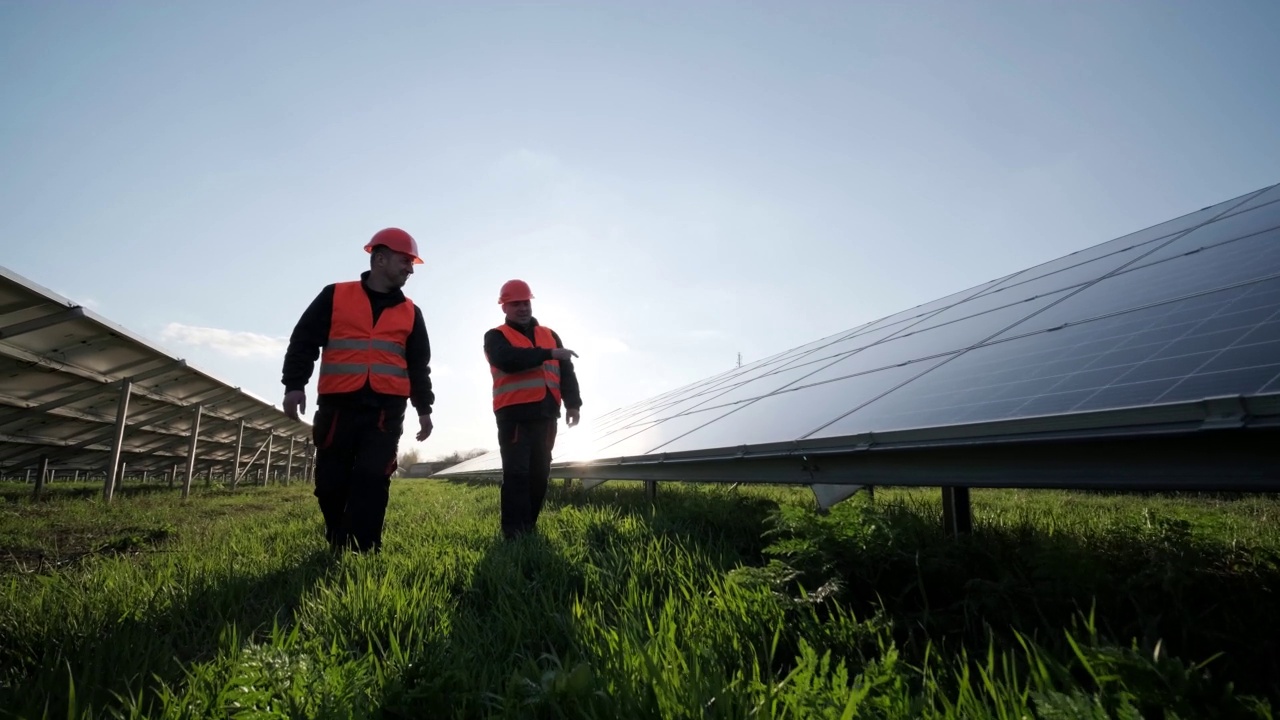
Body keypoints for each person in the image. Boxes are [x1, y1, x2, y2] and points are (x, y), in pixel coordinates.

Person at [280, 227, 434, 554]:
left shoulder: (412, 313)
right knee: (330, 483)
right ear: (379, 259)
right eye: (405, 261)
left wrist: (424, 409)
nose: (410, 269)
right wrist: (294, 385)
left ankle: (365, 551)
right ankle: (338, 538)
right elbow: (303, 341)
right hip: (338, 406)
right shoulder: (335, 296)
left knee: (372, 477)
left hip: (385, 410)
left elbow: (419, 367)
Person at [483, 279, 582, 539]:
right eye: (515, 304)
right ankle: (514, 533)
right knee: (516, 474)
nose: (523, 308)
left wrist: (573, 404)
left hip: (546, 413)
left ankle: (529, 528)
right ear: (504, 307)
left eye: (525, 302)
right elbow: (507, 360)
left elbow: (566, 371)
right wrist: (547, 353)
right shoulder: (496, 336)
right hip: (514, 415)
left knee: (540, 474)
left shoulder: (550, 334)